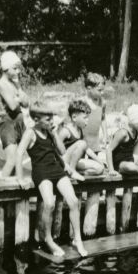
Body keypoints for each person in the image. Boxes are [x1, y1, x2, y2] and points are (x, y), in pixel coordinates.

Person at [15, 101, 87, 257]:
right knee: (49, 203)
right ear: (36, 119)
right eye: (47, 119)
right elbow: (19, 153)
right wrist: (20, 178)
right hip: (41, 172)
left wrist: (54, 134)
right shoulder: (30, 133)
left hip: (56, 169)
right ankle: (48, 240)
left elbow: (61, 151)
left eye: (52, 118)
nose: (51, 122)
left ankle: (78, 240)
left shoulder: (49, 132)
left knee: (74, 201)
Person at [0, 51, 29, 177]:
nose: (18, 71)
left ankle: (18, 190)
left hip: (19, 121)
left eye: (19, 68)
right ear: (5, 68)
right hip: (8, 123)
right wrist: (20, 97)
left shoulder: (14, 83)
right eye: (15, 68)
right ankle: (0, 189)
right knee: (12, 159)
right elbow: (13, 106)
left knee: (22, 157)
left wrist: (19, 91)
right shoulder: (1, 85)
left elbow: (26, 103)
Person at [57, 99, 104, 176]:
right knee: (82, 143)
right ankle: (71, 170)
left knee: (100, 168)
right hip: (64, 161)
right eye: (85, 118)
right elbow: (55, 149)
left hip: (76, 161)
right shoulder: (65, 131)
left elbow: (87, 149)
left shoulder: (80, 130)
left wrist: (99, 161)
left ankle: (77, 173)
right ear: (74, 117)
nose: (87, 120)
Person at [83, 73, 108, 154]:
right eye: (99, 90)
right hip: (83, 140)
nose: (102, 93)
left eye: (103, 90)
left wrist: (105, 135)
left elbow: (103, 118)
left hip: (95, 142)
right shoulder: (82, 103)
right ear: (89, 88)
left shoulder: (102, 103)